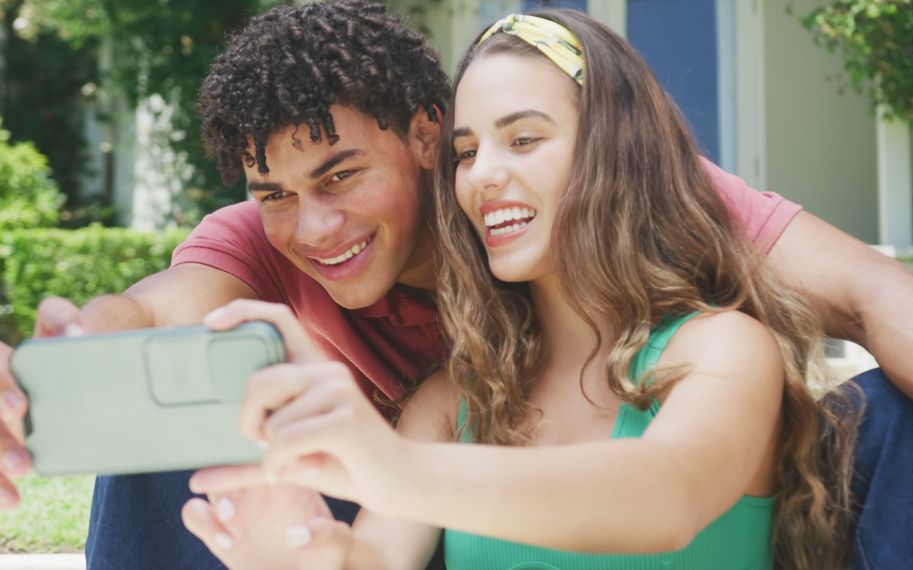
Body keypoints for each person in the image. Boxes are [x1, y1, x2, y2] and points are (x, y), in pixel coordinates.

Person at [0, 1, 913, 568]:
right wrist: (74, 350)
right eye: (275, 192)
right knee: (172, 444)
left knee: (903, 413)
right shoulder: (441, 385)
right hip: (411, 485)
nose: (311, 226)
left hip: (586, 477)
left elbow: (884, 301)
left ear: (423, 139)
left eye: (341, 175)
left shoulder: (696, 307)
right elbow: (161, 307)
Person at [182, 10, 869, 568]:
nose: (481, 175)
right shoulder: (453, 401)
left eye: (523, 139)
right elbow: (374, 561)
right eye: (466, 151)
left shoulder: (720, 350)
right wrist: (303, 551)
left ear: (613, 148)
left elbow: (668, 497)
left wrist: (392, 467)